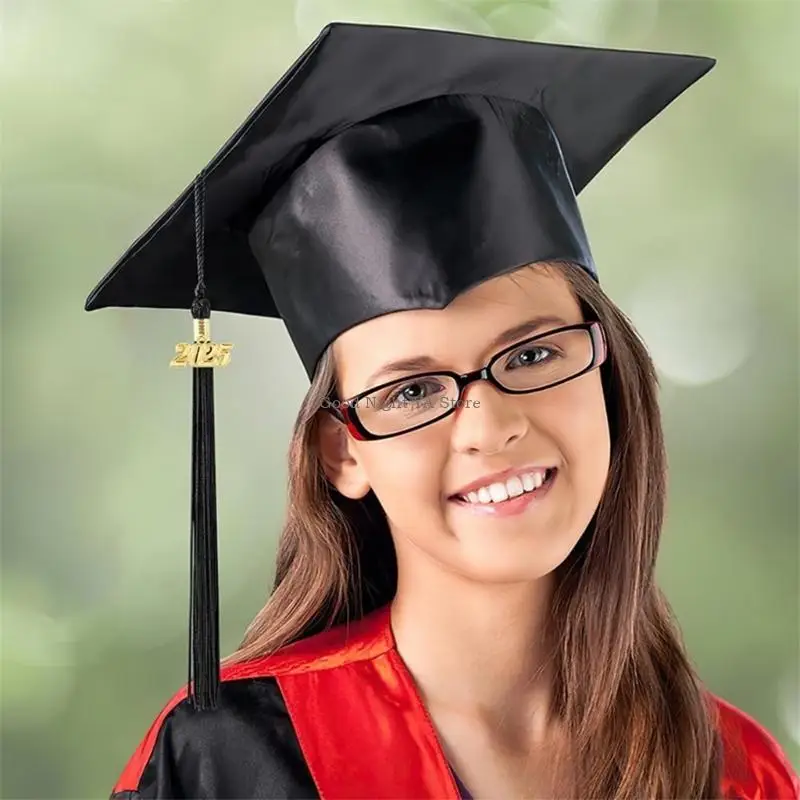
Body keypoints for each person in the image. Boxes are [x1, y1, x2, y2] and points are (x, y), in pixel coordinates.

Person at [86, 22, 799, 800]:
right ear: (342, 453)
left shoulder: (734, 770)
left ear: (608, 367)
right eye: (412, 391)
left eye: (532, 355)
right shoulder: (228, 760)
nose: (491, 427)